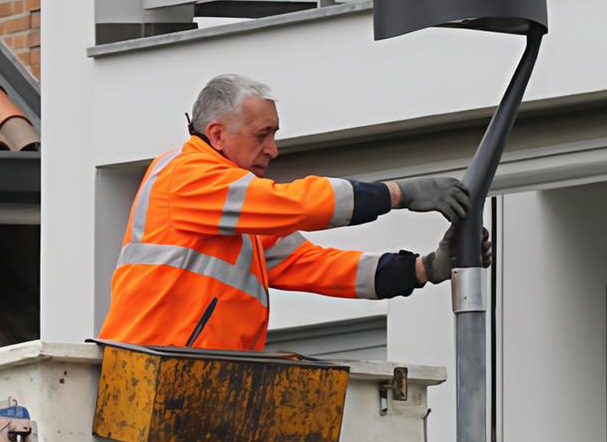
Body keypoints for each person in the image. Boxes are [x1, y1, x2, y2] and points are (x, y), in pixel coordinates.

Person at [98, 74, 492, 350]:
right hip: (149, 373)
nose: (272, 149)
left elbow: (310, 264)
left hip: (188, 380)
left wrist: (423, 269)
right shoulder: (186, 176)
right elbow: (292, 203)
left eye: (274, 134)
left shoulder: (233, 212)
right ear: (217, 135)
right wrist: (400, 193)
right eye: (261, 135)